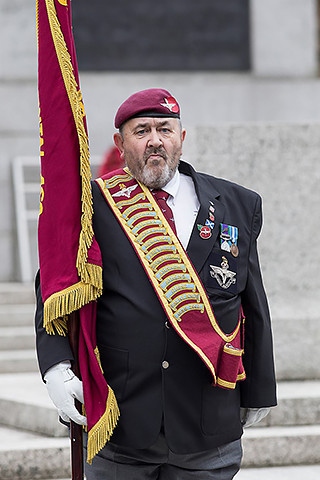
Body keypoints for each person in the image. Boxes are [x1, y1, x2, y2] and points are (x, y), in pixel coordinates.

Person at [35, 88, 277, 479]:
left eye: (164, 129)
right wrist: (56, 367)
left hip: (208, 416)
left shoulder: (237, 202)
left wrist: (261, 385)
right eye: (141, 130)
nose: (154, 141)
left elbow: (253, 301)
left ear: (182, 137)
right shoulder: (90, 206)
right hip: (122, 423)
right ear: (120, 142)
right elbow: (53, 289)